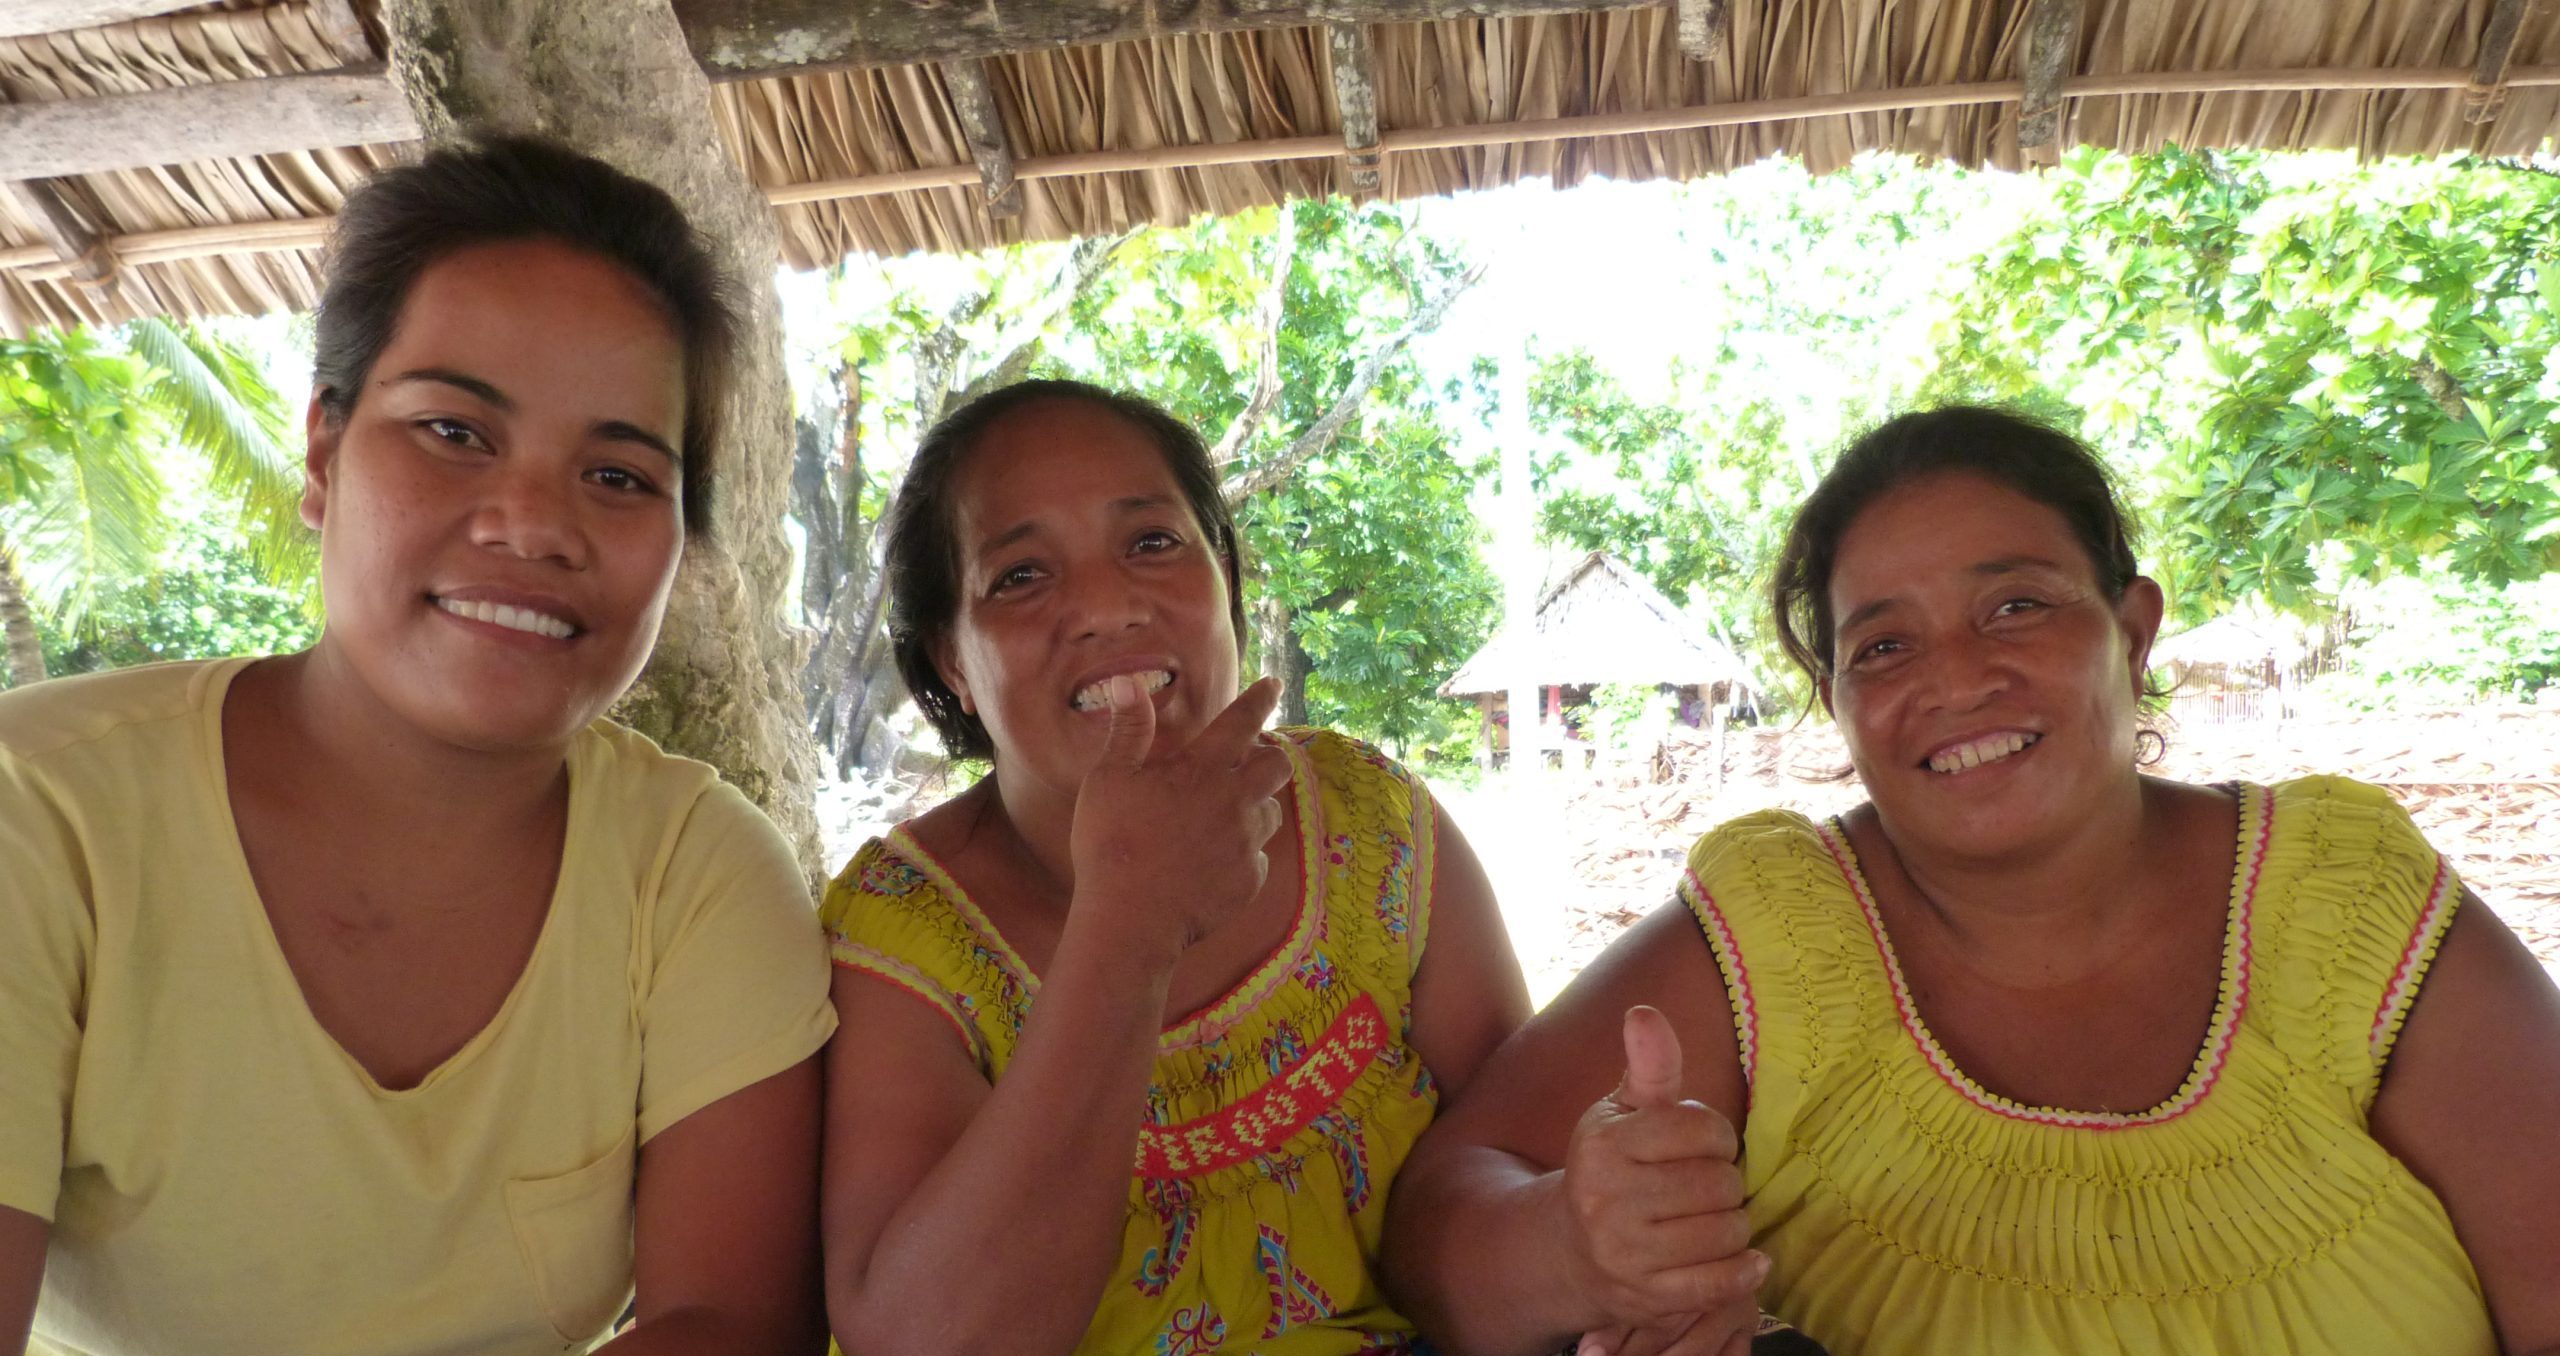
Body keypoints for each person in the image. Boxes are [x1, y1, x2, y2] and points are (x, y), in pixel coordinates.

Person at [1383, 407, 2560, 1356]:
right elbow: (1442, 1216)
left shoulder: (2347, 906)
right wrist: (1576, 1248)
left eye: (2015, 607)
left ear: (2131, 631)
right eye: (1884, 645)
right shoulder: (1771, 939)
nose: (1956, 677)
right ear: (1839, 704)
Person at [0, 134, 836, 1356]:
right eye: (454, 432)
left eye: (616, 472)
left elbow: (729, 1323)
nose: (535, 523)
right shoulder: (42, 814)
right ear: (324, 455)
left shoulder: (696, 874)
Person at [815, 379, 1532, 1355]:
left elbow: (1521, 1157)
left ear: (1226, 575)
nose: (1107, 606)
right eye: (1021, 575)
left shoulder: (1374, 830)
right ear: (951, 659)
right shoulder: (904, 932)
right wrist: (1131, 921)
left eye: (1151, 543)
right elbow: (929, 1340)